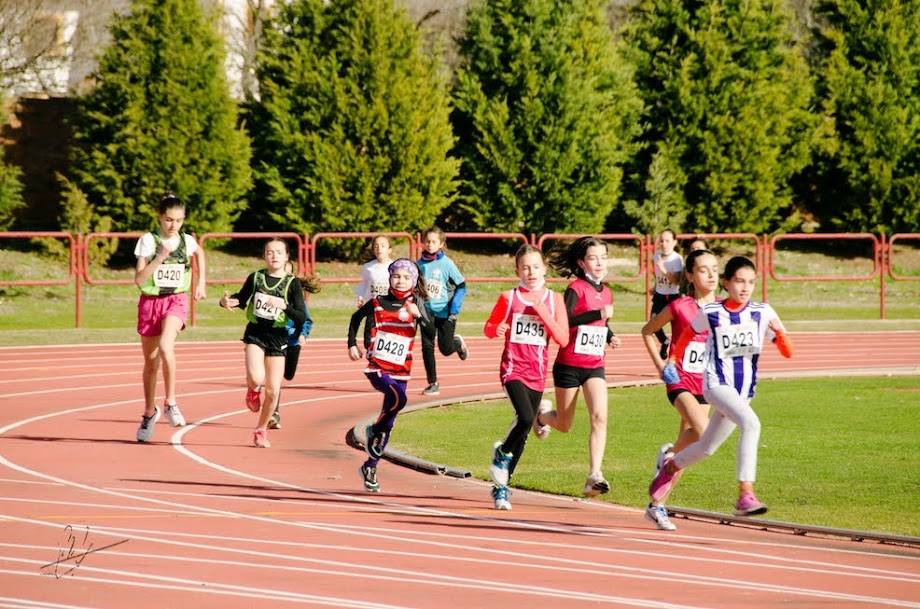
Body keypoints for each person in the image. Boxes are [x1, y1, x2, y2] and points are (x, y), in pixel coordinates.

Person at [649, 256, 794, 516]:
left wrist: (781, 336)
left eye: (751, 282)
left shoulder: (763, 312)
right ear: (726, 283)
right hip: (716, 385)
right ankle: (745, 493)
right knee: (752, 424)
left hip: (743, 393)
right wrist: (671, 360)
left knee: (707, 447)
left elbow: (788, 352)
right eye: (739, 281)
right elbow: (685, 337)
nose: (745, 287)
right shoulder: (712, 312)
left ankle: (669, 467)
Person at [639, 248, 719, 530]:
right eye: (703, 270)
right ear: (689, 275)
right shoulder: (679, 306)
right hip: (679, 379)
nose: (711, 274)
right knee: (704, 431)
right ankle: (668, 463)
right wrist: (661, 366)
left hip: (706, 384)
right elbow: (647, 331)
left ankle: (657, 504)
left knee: (692, 444)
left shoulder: (723, 309)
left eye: (714, 269)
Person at [484, 245, 568, 510]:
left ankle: (501, 487)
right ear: (517, 270)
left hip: (537, 372)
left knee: (523, 434)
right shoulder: (509, 297)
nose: (530, 272)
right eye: (525, 267)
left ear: (544, 268)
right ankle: (500, 454)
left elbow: (563, 339)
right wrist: (495, 329)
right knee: (524, 418)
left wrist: (543, 311)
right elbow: (488, 327)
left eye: (535, 266)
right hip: (513, 369)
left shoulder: (555, 300)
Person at [537, 236, 622, 498]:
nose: (599, 262)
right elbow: (569, 320)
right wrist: (600, 315)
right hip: (569, 365)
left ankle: (594, 475)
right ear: (581, 262)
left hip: (595, 365)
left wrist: (609, 335)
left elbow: (600, 324)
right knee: (564, 424)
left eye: (603, 258)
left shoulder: (607, 292)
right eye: (593, 258)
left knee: (600, 417)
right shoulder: (575, 289)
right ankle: (540, 416)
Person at [347, 258, 431, 493]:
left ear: (413, 281)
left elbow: (431, 332)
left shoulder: (417, 304)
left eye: (406, 277)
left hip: (402, 369)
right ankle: (373, 430)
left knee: (390, 420)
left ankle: (370, 466)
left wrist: (419, 316)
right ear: (389, 278)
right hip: (378, 367)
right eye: (396, 276)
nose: (400, 280)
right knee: (400, 401)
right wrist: (352, 344)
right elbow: (355, 319)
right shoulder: (377, 302)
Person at [218, 238, 307, 448]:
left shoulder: (292, 283)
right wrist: (226, 302)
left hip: (278, 337)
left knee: (274, 391)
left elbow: (301, 316)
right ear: (264, 256)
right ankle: (252, 389)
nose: (274, 256)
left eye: (278, 252)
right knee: (257, 377)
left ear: (286, 257)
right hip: (255, 333)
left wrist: (283, 305)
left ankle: (261, 429)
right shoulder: (256, 277)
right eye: (269, 252)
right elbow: (241, 298)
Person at [133, 192, 206, 443]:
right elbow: (139, 280)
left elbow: (200, 254)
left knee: (167, 347)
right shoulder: (148, 241)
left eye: (178, 220)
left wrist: (201, 282)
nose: (173, 225)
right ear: (159, 218)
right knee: (151, 364)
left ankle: (171, 402)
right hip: (150, 303)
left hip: (176, 299)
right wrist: (160, 257)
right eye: (168, 220)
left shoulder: (187, 241)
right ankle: (148, 412)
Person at [417, 226, 469, 396]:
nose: (430, 245)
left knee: (445, 349)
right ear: (423, 243)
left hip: (446, 312)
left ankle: (458, 343)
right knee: (427, 346)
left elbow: (461, 286)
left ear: (441, 244)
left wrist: (454, 309)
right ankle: (433, 383)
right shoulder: (418, 265)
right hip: (426, 312)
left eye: (433, 242)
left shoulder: (446, 264)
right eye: (427, 241)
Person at [269, 272, 320, 430]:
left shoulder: (299, 301)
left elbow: (307, 320)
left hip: (293, 341)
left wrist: (303, 335)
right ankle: (274, 413)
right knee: (274, 379)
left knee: (288, 375)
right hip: (276, 340)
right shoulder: (271, 297)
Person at [650, 229, 683, 360]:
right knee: (653, 323)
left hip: (673, 296)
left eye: (667, 241)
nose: (664, 244)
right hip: (659, 294)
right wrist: (655, 286)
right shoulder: (656, 255)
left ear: (674, 242)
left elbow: (676, 281)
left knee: (677, 328)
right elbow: (657, 276)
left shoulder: (677, 259)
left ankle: (675, 358)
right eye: (662, 240)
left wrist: (664, 269)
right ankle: (664, 341)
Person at [355, 235, 393, 308]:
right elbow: (363, 284)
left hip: (389, 306)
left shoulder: (395, 266)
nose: (379, 249)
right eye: (376, 246)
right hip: (373, 306)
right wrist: (360, 297)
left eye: (383, 246)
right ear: (373, 250)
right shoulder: (368, 267)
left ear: (389, 250)